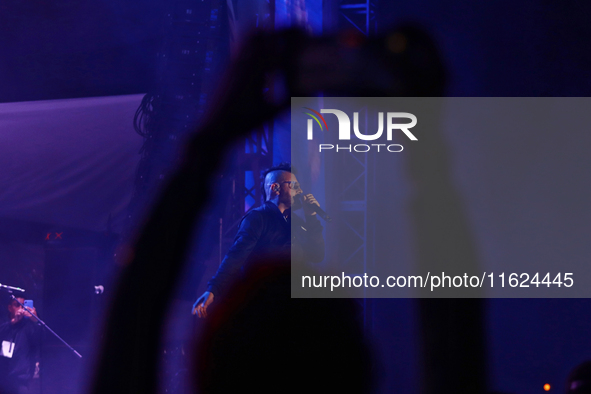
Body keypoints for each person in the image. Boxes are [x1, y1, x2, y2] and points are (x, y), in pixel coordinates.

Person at [192, 162, 325, 317]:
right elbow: (236, 256)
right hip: (265, 305)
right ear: (275, 188)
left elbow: (317, 255)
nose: (300, 191)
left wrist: (311, 218)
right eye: (294, 185)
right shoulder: (258, 218)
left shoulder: (295, 222)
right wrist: (213, 289)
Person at [0, 297, 41, 394]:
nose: (21, 308)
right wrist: (12, 323)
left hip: (21, 376)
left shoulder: (29, 325)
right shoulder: (4, 322)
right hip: (3, 374)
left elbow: (40, 338)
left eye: (23, 305)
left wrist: (35, 320)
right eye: (17, 305)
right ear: (10, 308)